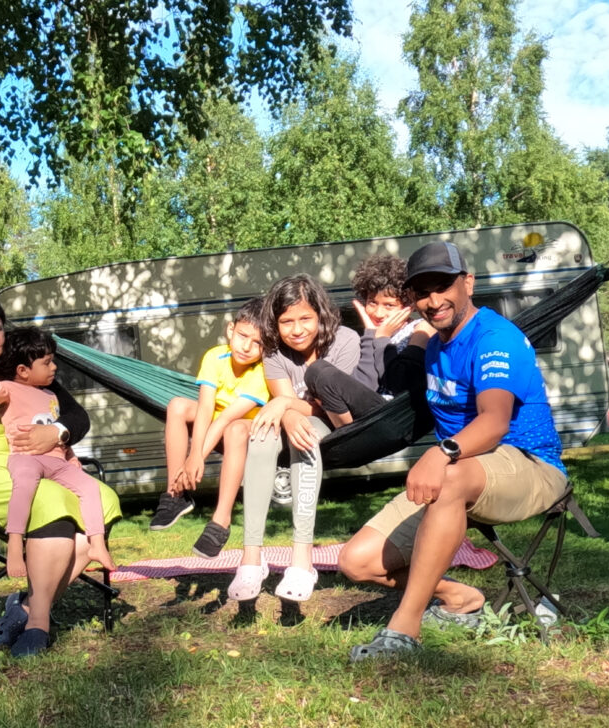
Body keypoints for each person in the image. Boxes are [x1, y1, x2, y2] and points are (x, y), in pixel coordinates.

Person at [339, 242, 568, 661]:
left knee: (449, 476)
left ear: (468, 282)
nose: (433, 300)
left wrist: (440, 453)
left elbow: (495, 422)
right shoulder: (433, 348)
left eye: (443, 286)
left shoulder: (496, 338)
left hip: (531, 465)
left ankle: (403, 632)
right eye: (422, 292)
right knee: (357, 561)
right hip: (464, 470)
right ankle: (462, 598)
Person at [0, 291, 120, 659]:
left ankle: (30, 607)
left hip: (38, 471)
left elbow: (77, 417)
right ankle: (37, 627)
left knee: (103, 499)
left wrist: (57, 432)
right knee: (51, 502)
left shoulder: (20, 369)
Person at [227, 274, 360, 603]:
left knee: (308, 436)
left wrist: (285, 405)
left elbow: (331, 407)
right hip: (291, 419)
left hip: (334, 424)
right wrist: (285, 408)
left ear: (321, 316)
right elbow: (282, 400)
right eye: (286, 321)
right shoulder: (273, 350)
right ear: (275, 323)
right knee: (260, 435)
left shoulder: (345, 340)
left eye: (305, 319)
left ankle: (302, 561)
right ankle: (251, 559)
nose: (296, 329)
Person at [0, 327, 116, 575]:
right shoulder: (8, 387)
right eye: (47, 363)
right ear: (23, 371)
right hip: (26, 458)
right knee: (24, 487)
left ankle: (97, 544)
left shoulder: (50, 394)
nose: (54, 368)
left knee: (90, 487)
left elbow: (56, 426)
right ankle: (16, 546)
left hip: (56, 461)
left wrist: (70, 456)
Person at [150, 299, 269, 560]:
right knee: (178, 405)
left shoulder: (262, 370)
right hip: (215, 421)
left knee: (235, 428)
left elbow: (226, 418)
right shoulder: (215, 356)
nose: (247, 346)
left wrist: (197, 457)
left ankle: (221, 520)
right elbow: (205, 407)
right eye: (242, 336)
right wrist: (192, 457)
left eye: (258, 342)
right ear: (230, 330)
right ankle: (176, 492)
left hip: (248, 427)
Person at [304, 254, 434, 431]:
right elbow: (365, 384)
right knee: (318, 371)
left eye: (389, 305)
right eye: (372, 303)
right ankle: (346, 434)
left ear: (408, 304)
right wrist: (371, 335)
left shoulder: (421, 329)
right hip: (372, 414)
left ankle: (347, 436)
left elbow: (401, 383)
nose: (378, 313)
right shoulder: (371, 334)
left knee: (320, 372)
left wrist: (381, 338)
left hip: (399, 415)